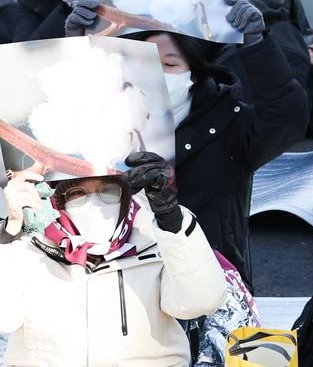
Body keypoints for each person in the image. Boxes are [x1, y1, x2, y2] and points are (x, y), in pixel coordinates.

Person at [63, 0, 307, 286]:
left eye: (169, 64)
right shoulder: (92, 123)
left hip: (208, 283)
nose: (155, 75)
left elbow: (286, 118)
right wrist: (76, 48)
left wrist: (256, 45)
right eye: (143, 63)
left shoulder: (228, 125)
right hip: (117, 288)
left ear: (193, 72)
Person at [0, 156, 228, 365]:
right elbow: (5, 317)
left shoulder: (156, 243)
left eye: (108, 190)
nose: (95, 206)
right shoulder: (33, 249)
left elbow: (202, 301)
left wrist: (171, 221)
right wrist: (8, 233)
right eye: (77, 193)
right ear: (60, 201)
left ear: (124, 196)